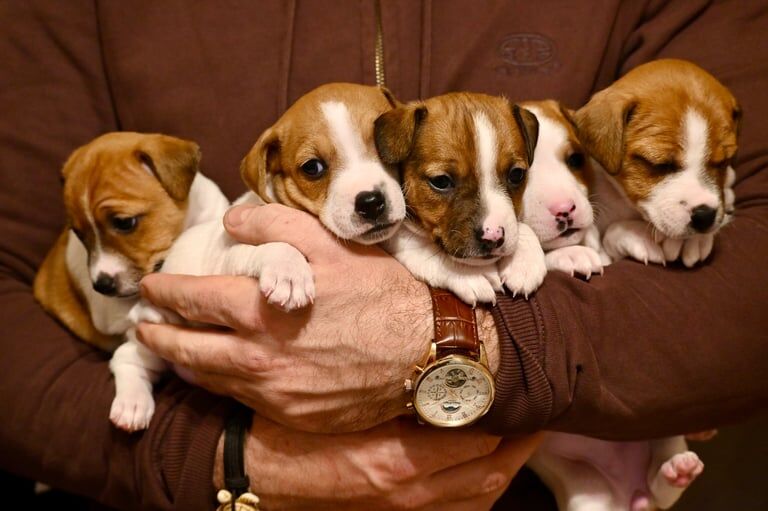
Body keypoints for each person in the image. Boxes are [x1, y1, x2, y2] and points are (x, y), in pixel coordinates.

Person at [1, 1, 766, 510]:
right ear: (265, 170)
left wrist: (478, 350)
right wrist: (224, 461)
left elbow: (747, 262)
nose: (370, 189)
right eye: (316, 169)